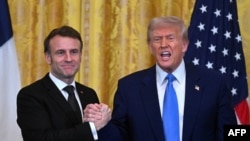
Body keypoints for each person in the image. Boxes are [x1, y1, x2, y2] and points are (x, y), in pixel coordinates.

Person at [84, 16, 237, 141]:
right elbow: (120, 136)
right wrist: (102, 125)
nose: (163, 44)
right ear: (150, 47)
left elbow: (230, 132)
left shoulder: (213, 83)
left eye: (170, 38)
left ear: (184, 45)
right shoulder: (129, 87)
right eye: (157, 39)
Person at [16, 25, 111, 141]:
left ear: (81, 56)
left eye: (74, 52)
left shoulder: (88, 93)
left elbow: (98, 135)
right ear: (48, 58)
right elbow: (42, 138)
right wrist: (92, 127)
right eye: (60, 53)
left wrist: (106, 119)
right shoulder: (30, 95)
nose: (69, 58)